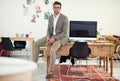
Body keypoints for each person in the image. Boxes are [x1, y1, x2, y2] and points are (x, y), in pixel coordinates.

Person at [33, 1, 68, 78]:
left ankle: (51, 70)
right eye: (55, 7)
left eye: (58, 7)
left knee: (52, 50)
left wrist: (54, 38)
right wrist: (48, 37)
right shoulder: (50, 17)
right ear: (53, 8)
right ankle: (34, 63)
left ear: (60, 8)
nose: (56, 9)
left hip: (60, 38)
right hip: (51, 35)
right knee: (36, 43)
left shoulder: (64, 18)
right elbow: (48, 29)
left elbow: (64, 33)